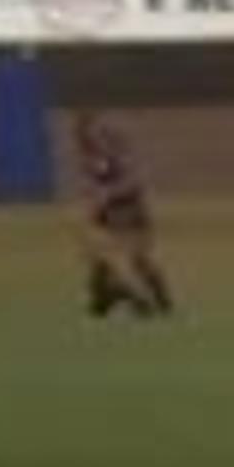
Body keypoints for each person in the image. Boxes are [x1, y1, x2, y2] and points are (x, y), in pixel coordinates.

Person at [72, 114, 175, 319]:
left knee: (137, 258)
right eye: (84, 135)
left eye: (92, 133)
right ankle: (107, 299)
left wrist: (109, 193)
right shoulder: (88, 159)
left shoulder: (115, 154)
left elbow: (134, 180)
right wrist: (94, 201)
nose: (90, 139)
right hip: (109, 214)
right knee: (98, 255)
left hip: (130, 210)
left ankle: (152, 301)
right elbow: (91, 186)